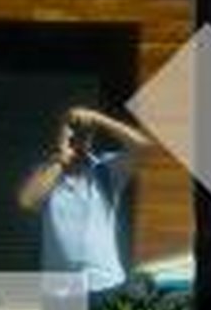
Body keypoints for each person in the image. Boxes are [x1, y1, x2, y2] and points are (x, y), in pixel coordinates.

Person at [20, 99, 144, 294]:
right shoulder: (46, 172)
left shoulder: (106, 168)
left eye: (84, 130)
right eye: (70, 128)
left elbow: (143, 148)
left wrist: (98, 119)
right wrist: (61, 160)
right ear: (58, 133)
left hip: (107, 283)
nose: (77, 135)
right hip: (60, 289)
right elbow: (28, 201)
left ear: (92, 136)